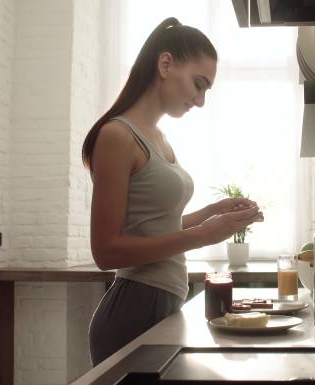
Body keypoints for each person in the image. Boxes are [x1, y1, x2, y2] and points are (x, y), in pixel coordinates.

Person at [82, 17, 264, 366]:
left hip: (163, 302)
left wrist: (214, 212)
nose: (200, 101)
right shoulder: (117, 136)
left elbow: (156, 226)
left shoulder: (159, 138)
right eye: (199, 84)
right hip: (133, 308)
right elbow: (106, 252)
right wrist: (203, 235)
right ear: (165, 64)